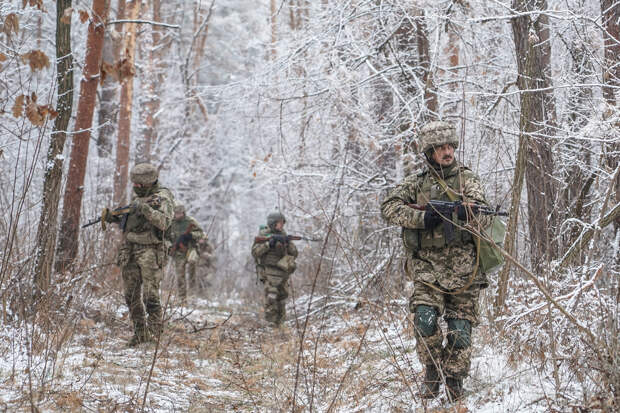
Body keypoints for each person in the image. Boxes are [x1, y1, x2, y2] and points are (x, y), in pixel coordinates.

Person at [380, 121, 491, 401]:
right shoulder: (417, 183)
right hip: (426, 270)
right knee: (425, 320)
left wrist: (470, 214)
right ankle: (431, 370)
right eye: (441, 147)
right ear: (429, 152)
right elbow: (389, 206)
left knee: (460, 329)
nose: (447, 152)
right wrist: (420, 218)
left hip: (465, 269)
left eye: (450, 146)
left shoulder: (468, 180)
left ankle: (454, 381)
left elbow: (486, 212)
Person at [108, 163, 174, 346]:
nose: (135, 188)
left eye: (139, 185)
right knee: (130, 294)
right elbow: (135, 220)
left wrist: (144, 209)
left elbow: (164, 223)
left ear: (148, 183)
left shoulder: (163, 197)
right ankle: (140, 333)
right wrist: (116, 217)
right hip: (130, 249)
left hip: (151, 250)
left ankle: (154, 336)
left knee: (150, 295)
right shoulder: (141, 197)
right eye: (134, 184)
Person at [251, 211, 298, 327]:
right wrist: (268, 244)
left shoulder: (284, 235)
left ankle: (280, 324)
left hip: (282, 272)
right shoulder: (264, 235)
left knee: (282, 297)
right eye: (279, 223)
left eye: (282, 223)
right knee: (272, 297)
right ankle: (270, 324)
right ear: (272, 223)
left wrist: (288, 243)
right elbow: (255, 252)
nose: (281, 225)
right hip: (269, 271)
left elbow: (295, 253)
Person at [168, 204, 205, 301]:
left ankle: (192, 295)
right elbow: (166, 236)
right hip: (178, 252)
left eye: (179, 213)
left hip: (190, 249)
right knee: (180, 275)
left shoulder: (190, 221)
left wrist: (190, 235)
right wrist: (170, 246)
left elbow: (201, 233)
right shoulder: (171, 223)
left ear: (183, 213)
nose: (177, 215)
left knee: (192, 267)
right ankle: (182, 298)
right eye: (176, 213)